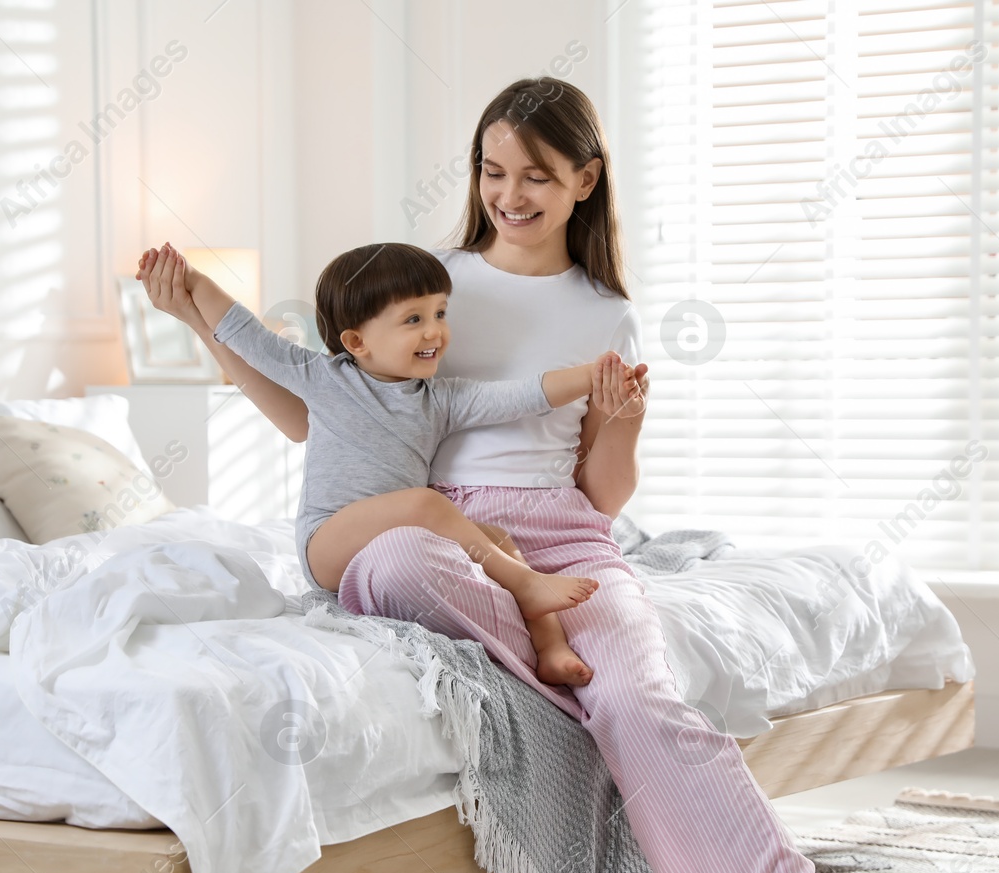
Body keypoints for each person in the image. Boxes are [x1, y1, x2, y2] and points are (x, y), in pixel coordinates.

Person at [137, 76, 879, 873]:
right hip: (436, 532)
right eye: (492, 171)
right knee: (400, 565)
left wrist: (624, 427)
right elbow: (310, 415)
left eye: (536, 174)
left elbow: (606, 493)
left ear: (585, 180)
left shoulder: (607, 311)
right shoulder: (423, 280)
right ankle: (559, 666)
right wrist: (201, 320)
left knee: (639, 700)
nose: (510, 193)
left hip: (567, 540)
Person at [139, 240, 641, 686]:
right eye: (414, 320)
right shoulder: (323, 377)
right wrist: (194, 282)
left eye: (440, 313)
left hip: (394, 543)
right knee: (426, 504)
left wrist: (597, 373)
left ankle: (550, 646)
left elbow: (523, 395)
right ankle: (526, 585)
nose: (436, 332)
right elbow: (245, 332)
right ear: (357, 342)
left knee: (499, 541)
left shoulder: (438, 400)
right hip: (328, 542)